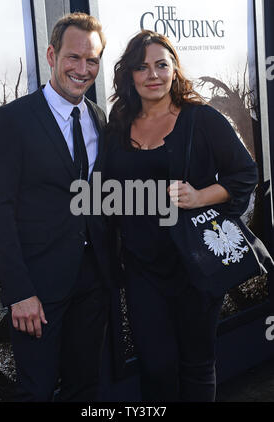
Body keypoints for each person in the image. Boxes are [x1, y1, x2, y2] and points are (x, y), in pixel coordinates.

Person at [105, 30, 258, 402]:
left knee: (197, 363)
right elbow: (109, 187)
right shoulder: (119, 122)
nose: (152, 75)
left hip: (196, 262)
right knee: (155, 365)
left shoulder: (201, 119)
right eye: (141, 67)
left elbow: (245, 174)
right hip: (143, 265)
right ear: (129, 74)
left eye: (161, 65)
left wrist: (200, 195)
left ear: (175, 69)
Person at [0, 12, 111, 402]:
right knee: (35, 391)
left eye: (92, 61)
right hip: (36, 291)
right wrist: (19, 292)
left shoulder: (99, 119)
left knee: (84, 387)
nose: (82, 69)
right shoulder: (11, 120)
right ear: (52, 55)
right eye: (74, 57)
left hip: (93, 283)